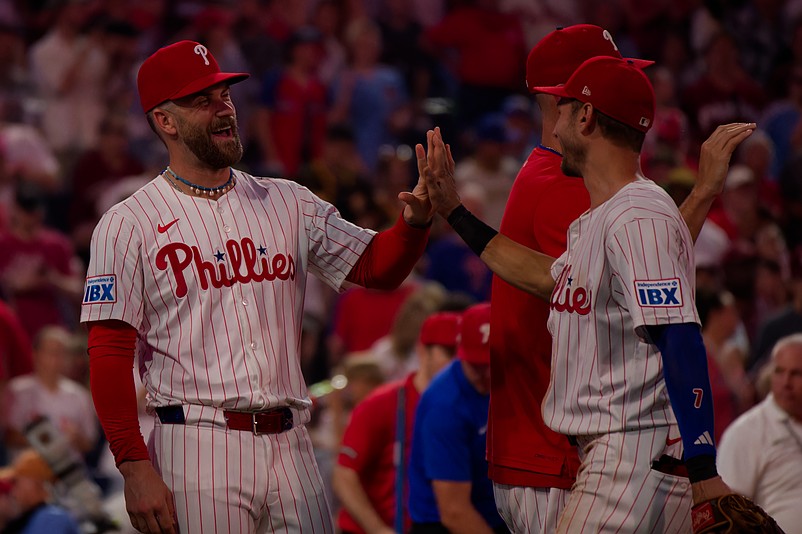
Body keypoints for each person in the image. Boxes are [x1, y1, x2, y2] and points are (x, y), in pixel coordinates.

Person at [81, 40, 438, 534]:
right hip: (198, 444)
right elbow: (108, 352)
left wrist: (414, 222)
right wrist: (133, 464)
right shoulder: (127, 223)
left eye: (224, 94)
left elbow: (377, 266)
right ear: (165, 121)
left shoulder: (287, 200)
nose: (224, 108)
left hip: (292, 445)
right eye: (203, 100)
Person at [421, 56, 757, 532]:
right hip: (623, 454)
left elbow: (679, 338)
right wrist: (453, 211)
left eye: (561, 109)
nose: (553, 128)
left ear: (586, 116)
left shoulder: (638, 213)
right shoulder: (600, 219)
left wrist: (703, 469)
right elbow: (540, 274)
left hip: (634, 454)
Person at [333, 311, 461, 534]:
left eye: (462, 354)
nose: (456, 363)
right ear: (423, 352)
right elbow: (344, 475)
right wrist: (378, 529)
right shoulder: (384, 403)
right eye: (448, 352)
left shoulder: (461, 408)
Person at [408, 302, 508, 533]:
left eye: (489, 363)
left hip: (493, 511)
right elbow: (454, 511)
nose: (485, 374)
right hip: (444, 524)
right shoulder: (445, 405)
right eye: (475, 365)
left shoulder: (510, 381)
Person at [716, 333, 802, 533]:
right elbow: (728, 513)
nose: (786, 382)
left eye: (797, 373)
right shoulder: (745, 432)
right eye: (779, 372)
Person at [0, 448, 80, 534]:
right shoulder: (30, 518)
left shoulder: (50, 519)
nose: (13, 491)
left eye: (16, 482)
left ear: (37, 484)